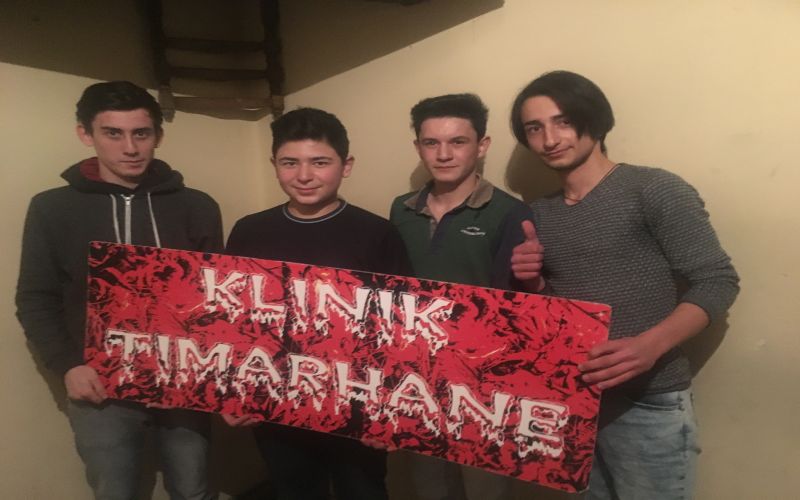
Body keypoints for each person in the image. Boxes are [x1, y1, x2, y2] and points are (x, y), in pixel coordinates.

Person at [509, 70, 740, 499]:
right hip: (573, 400)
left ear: (595, 121)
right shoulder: (540, 213)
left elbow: (717, 280)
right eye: (534, 128)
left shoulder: (653, 189)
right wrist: (533, 281)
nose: (550, 139)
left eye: (563, 121)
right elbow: (560, 311)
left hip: (649, 402)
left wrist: (649, 346)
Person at [16, 81, 222, 500]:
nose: (130, 148)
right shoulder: (52, 208)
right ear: (85, 134)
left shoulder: (197, 205)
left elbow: (217, 298)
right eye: (113, 133)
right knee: (115, 491)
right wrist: (68, 365)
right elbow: (35, 296)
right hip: (98, 384)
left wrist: (208, 371)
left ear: (157, 136)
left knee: (193, 488)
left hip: (183, 380)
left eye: (141, 133)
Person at [224, 107, 410, 500]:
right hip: (276, 401)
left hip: (357, 403)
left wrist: (391, 408)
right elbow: (232, 320)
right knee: (294, 490)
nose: (304, 175)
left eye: (320, 162)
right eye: (290, 162)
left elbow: (400, 326)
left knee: (363, 491)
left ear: (346, 165)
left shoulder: (377, 233)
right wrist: (232, 390)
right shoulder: (249, 231)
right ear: (274, 165)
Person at [389, 93, 541, 500]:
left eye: (458, 141)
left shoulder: (510, 212)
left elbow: (516, 307)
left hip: (482, 378)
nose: (443, 154)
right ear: (418, 147)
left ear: (482, 145)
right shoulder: (401, 209)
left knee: (484, 486)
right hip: (417, 373)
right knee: (428, 484)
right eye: (431, 142)